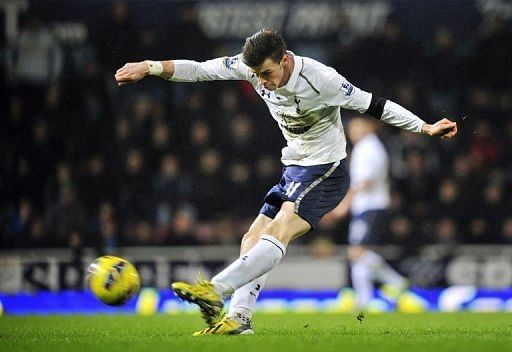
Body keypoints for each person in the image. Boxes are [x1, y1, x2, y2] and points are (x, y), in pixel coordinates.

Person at [115, 29, 457, 335]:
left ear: (285, 60)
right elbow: (201, 69)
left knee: (280, 229)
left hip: (325, 170)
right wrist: (150, 66)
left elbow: (376, 106)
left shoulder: (322, 79)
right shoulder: (250, 68)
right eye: (257, 75)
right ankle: (240, 318)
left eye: (267, 73)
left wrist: (425, 127)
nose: (262, 82)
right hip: (294, 167)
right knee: (252, 237)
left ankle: (215, 290)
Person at [330, 117, 408, 310]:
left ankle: (395, 281)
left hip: (370, 207)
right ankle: (363, 300)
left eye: (357, 127)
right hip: (367, 207)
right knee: (359, 254)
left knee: (358, 251)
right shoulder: (368, 147)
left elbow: (364, 182)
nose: (352, 131)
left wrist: (344, 204)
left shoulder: (369, 148)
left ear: (368, 127)